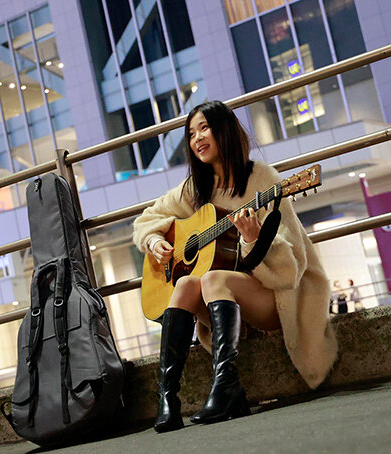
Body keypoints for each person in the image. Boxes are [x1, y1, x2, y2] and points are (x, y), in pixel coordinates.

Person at [133, 101, 337, 433]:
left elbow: (292, 269)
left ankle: (226, 387)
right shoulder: (196, 189)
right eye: (191, 133)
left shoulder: (262, 178)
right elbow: (146, 220)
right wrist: (155, 242)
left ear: (224, 130)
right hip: (226, 305)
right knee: (184, 284)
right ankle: (168, 398)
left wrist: (253, 240)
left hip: (273, 298)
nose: (197, 138)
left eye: (204, 128)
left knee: (213, 278)